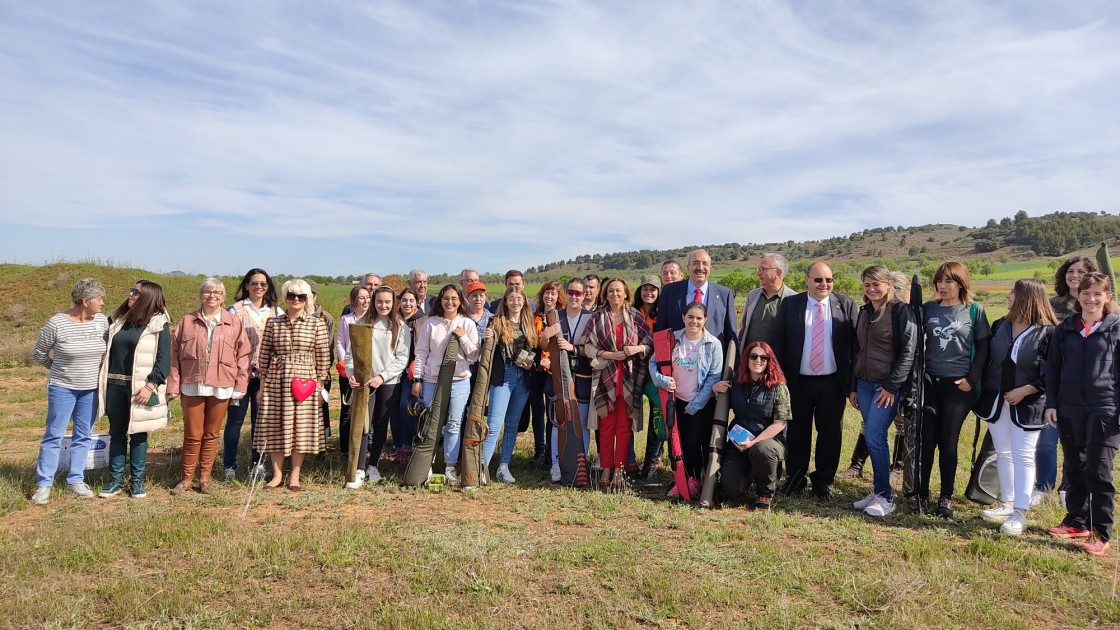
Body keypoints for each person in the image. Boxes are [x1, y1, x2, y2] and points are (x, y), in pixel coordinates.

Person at [1044, 272, 1120, 556]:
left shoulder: (1116, 328)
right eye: (1086, 293)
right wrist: (1052, 403)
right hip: (1069, 406)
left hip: (1105, 407)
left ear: (1107, 297)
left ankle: (1101, 532)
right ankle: (1077, 521)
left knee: (1099, 470)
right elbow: (1052, 368)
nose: (1091, 299)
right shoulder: (1065, 328)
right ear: (1078, 296)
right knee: (1074, 465)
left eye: (1098, 294)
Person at [975, 279, 1056, 535]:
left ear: (1027, 297)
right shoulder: (1000, 325)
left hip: (1029, 404)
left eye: (1013, 292)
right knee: (1003, 452)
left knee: (1023, 455)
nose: (1008, 296)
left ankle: (1020, 513)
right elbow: (988, 362)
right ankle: (1007, 502)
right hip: (997, 402)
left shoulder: (1049, 332)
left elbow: (1054, 373)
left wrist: (1026, 390)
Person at [771, 261, 857, 500]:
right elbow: (779, 343)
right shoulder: (791, 304)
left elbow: (855, 348)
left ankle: (823, 481)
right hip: (798, 382)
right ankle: (796, 478)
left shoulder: (846, 305)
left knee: (830, 434)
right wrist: (779, 380)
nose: (824, 284)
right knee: (797, 432)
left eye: (829, 280)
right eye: (818, 279)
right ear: (806, 280)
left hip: (832, 382)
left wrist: (852, 386)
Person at [917, 262, 991, 518]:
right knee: (926, 442)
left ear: (961, 283)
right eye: (940, 281)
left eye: (949, 281)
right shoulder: (928, 309)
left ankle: (945, 497)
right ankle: (921, 493)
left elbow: (983, 348)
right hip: (929, 384)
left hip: (958, 386)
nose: (943, 286)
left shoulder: (974, 310)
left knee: (947, 442)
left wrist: (971, 378)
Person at [167, 278, 251, 495]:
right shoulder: (187, 321)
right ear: (200, 295)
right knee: (193, 433)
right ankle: (186, 479)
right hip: (192, 384)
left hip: (222, 385)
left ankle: (204, 479)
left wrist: (241, 384)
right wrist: (173, 384)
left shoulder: (234, 322)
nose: (212, 295)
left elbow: (244, 356)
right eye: (207, 291)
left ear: (223, 297)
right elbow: (173, 356)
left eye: (217, 292)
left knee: (212, 434)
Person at [30, 278, 108, 504]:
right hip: (62, 388)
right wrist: (57, 370)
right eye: (99, 298)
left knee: (83, 435)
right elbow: (39, 354)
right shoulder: (56, 324)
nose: (102, 302)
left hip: (91, 390)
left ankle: (76, 479)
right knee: (54, 435)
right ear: (85, 301)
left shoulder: (101, 322)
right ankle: (44, 484)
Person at [848, 266, 917, 518]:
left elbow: (908, 351)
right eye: (867, 285)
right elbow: (857, 351)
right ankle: (877, 492)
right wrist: (853, 386)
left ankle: (886, 497)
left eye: (876, 284)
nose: (871, 289)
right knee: (872, 437)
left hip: (885, 387)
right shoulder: (864, 312)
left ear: (888, 284)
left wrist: (891, 386)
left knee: (876, 437)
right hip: (864, 385)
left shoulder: (900, 311)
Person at [254, 279, 332, 490]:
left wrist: (319, 386)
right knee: (274, 427)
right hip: (276, 380)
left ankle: (295, 475)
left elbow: (323, 357)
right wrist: (262, 387)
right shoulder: (273, 323)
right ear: (285, 297)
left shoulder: (317, 323)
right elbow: (263, 356)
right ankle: (277, 475)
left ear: (307, 299)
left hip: (305, 382)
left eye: (301, 296)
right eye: (291, 296)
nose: (296, 300)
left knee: (302, 429)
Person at [97, 280, 171, 499]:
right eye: (131, 290)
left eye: (136, 292)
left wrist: (150, 386)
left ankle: (137, 483)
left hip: (140, 389)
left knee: (139, 435)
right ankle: (114, 482)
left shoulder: (159, 324)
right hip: (114, 387)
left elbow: (163, 361)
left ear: (148, 297)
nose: (130, 294)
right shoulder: (116, 320)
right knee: (117, 433)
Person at [1035, 255, 1097, 505]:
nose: (1075, 275)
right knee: (1047, 442)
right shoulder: (1052, 304)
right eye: (1071, 271)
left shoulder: (1098, 308)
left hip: (1085, 385)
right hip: (1051, 380)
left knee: (1076, 444)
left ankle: (1067, 487)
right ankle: (1042, 486)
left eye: (1082, 272)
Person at [649, 301, 723, 498]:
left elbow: (714, 377)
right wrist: (662, 380)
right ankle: (684, 479)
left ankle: (698, 481)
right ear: (683, 318)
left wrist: (696, 404)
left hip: (702, 403)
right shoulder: (671, 339)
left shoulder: (713, 344)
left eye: (699, 318)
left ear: (705, 320)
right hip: (676, 401)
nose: (694, 321)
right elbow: (653, 363)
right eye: (690, 317)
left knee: (695, 441)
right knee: (679, 443)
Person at [584, 278, 652, 490]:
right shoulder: (597, 317)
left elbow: (649, 343)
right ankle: (606, 467)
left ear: (625, 294)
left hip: (630, 378)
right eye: (611, 291)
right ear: (605, 294)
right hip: (606, 377)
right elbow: (587, 346)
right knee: (606, 426)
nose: (615, 294)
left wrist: (638, 349)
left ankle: (620, 469)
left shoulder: (635, 316)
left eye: (618, 291)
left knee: (624, 427)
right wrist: (609, 354)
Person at [411, 285, 480, 485]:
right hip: (432, 379)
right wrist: (417, 379)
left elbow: (474, 355)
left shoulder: (467, 323)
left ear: (460, 301)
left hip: (459, 380)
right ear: (440, 300)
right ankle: (427, 464)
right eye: (445, 298)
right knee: (431, 423)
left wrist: (462, 337)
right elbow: (421, 352)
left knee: (454, 423)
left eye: (454, 298)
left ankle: (450, 466)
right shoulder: (430, 324)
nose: (449, 302)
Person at [343, 285, 410, 486]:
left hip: (388, 383)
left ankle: (373, 465)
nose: (383, 305)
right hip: (364, 382)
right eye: (379, 301)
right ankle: (359, 468)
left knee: (380, 424)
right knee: (363, 425)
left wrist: (382, 376)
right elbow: (350, 354)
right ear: (373, 302)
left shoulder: (400, 327)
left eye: (387, 302)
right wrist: (351, 374)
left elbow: (402, 358)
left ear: (394, 303)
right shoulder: (362, 324)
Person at [714, 341, 790, 510]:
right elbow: (721, 404)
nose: (758, 360)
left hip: (768, 441)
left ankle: (765, 493)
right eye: (753, 356)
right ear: (746, 359)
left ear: (769, 361)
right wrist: (715, 388)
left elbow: (780, 424)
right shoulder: (737, 383)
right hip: (739, 443)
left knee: (762, 450)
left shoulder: (778, 387)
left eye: (764, 357)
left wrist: (753, 443)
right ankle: (749, 474)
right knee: (731, 491)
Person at [223, 268, 283, 480]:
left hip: (265, 377)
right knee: (235, 422)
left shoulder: (276, 312)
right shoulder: (235, 310)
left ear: (268, 287)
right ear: (246, 285)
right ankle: (229, 465)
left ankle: (257, 464)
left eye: (263, 284)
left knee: (261, 422)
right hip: (239, 376)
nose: (259, 287)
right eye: (254, 283)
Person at [483, 286, 541, 483]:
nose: (516, 302)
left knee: (512, 424)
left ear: (524, 302)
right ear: (505, 302)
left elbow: (534, 349)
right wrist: (487, 339)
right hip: (504, 376)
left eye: (519, 299)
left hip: (523, 377)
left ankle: (503, 466)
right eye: (511, 299)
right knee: (494, 423)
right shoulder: (496, 322)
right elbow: (487, 351)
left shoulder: (529, 323)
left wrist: (529, 362)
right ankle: (482, 467)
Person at [549, 277, 594, 482]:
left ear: (584, 295)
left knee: (581, 422)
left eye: (578, 293)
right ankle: (557, 464)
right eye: (571, 292)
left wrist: (573, 348)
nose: (574, 296)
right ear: (565, 294)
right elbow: (544, 345)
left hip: (583, 375)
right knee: (560, 421)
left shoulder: (591, 317)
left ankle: (580, 464)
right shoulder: (554, 316)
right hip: (559, 375)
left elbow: (595, 348)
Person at [655, 249, 737, 351]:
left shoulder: (724, 294)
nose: (700, 267)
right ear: (688, 267)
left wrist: (732, 365)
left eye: (705, 264)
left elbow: (731, 336)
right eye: (696, 263)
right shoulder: (669, 291)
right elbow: (661, 331)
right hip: (676, 361)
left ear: (710, 268)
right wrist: (662, 364)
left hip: (713, 362)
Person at [529, 281, 565, 467]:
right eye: (547, 293)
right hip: (536, 369)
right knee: (537, 410)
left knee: (552, 411)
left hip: (554, 370)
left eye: (553, 294)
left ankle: (551, 455)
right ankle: (539, 450)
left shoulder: (562, 317)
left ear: (559, 297)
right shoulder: (533, 316)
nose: (549, 297)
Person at [634, 274, 665, 478]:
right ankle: (628, 460)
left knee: (657, 416)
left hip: (655, 371)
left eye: (653, 289)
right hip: (635, 370)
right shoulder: (633, 313)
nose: (649, 292)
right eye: (645, 289)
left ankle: (652, 463)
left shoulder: (662, 314)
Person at [335, 286, 371, 460]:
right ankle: (345, 448)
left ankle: (365, 445)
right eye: (361, 298)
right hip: (349, 371)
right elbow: (340, 343)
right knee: (348, 408)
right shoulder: (346, 319)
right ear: (353, 301)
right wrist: (345, 365)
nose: (365, 301)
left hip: (368, 370)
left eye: (367, 297)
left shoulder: (373, 319)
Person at [393, 288, 427, 463]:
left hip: (412, 372)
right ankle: (397, 445)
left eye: (411, 301)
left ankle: (407, 444)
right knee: (393, 409)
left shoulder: (424, 321)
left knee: (405, 407)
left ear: (417, 303)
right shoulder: (394, 320)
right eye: (404, 300)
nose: (407, 304)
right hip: (393, 371)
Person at [738, 253, 797, 348]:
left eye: (763, 269)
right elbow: (743, 330)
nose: (758, 273)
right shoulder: (752, 296)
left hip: (778, 361)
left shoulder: (794, 299)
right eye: (758, 269)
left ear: (778, 272)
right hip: (751, 360)